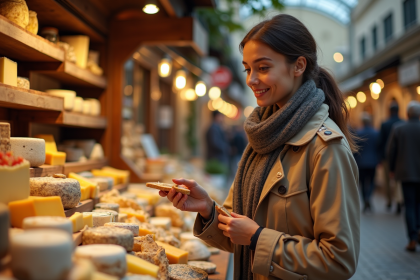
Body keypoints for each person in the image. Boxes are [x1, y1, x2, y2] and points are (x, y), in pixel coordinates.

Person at [161, 14, 360, 280]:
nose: (251, 79)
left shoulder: (325, 148)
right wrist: (207, 209)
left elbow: (339, 259)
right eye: (247, 69)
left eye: (263, 68)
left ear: (298, 65)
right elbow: (237, 234)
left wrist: (257, 238)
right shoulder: (261, 136)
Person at [387, 101, 420, 252]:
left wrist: (392, 169)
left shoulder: (399, 129)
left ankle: (412, 238)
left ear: (407, 114)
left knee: (410, 205)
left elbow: (391, 151)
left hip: (406, 173)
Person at [378, 103, 402, 211]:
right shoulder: (402, 123)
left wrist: (380, 158)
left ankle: (389, 201)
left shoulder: (385, 124)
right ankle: (398, 200)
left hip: (387, 157)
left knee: (387, 180)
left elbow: (381, 141)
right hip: (400, 157)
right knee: (398, 180)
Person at [354, 113, 379, 213]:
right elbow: (378, 147)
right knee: (372, 181)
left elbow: (356, 149)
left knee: (363, 183)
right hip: (373, 162)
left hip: (361, 162)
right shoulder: (376, 133)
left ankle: (365, 200)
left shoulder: (359, 133)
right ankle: (369, 196)